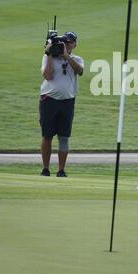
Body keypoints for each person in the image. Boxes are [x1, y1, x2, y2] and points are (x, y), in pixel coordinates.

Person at [39, 31, 84, 177]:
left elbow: (80, 71)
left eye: (70, 42)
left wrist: (66, 56)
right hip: (49, 100)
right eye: (65, 42)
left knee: (64, 137)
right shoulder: (48, 58)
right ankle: (45, 168)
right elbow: (47, 75)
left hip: (67, 101)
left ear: (75, 45)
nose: (67, 44)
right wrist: (50, 55)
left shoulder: (76, 59)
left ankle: (61, 170)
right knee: (47, 135)